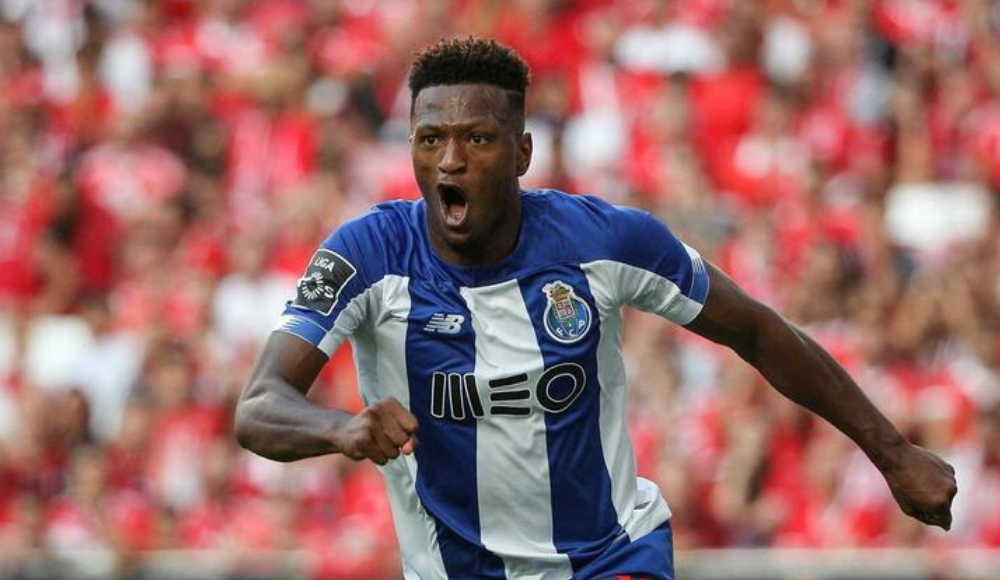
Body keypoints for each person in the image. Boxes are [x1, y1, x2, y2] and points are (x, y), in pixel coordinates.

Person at [234, 37, 957, 580]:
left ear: (522, 153)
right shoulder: (366, 255)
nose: (450, 161)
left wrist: (891, 453)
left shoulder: (603, 241)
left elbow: (758, 330)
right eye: (431, 140)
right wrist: (340, 428)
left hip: (610, 559)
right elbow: (259, 405)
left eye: (477, 139)